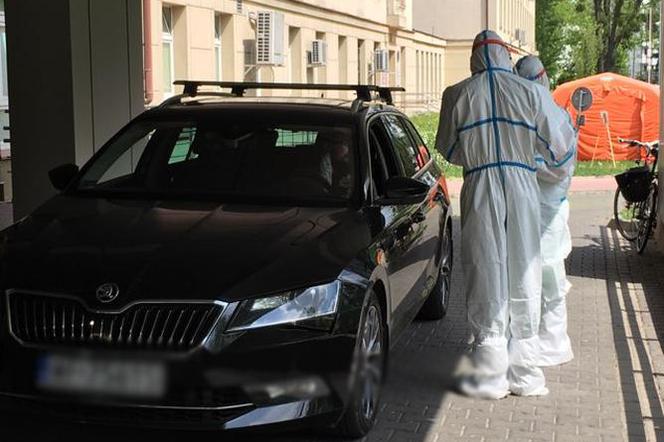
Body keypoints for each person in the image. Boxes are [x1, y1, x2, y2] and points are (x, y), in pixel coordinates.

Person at [435, 31, 576, 399]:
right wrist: (531, 165)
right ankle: (525, 373)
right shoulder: (529, 92)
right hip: (523, 186)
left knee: (485, 267)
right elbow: (560, 149)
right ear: (503, 55)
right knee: (524, 267)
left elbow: (450, 149)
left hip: (480, 185)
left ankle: (489, 374)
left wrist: (482, 154)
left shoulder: (457, 93)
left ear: (475, 59)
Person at [516, 55, 576, 366]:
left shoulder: (555, 117)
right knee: (529, 276)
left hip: (548, 210)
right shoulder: (532, 115)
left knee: (550, 275)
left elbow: (561, 166)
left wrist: (530, 167)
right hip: (532, 209)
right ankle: (533, 340)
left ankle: (553, 343)